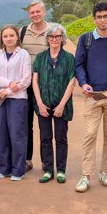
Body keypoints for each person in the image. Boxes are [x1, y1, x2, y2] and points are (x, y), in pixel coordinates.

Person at [73, 2, 107, 193]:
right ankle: (86, 175)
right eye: (99, 17)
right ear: (94, 19)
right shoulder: (86, 39)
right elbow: (78, 65)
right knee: (90, 135)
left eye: (106, 16)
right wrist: (83, 83)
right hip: (93, 93)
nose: (103, 20)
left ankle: (105, 171)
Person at [32, 23, 75, 184]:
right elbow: (34, 81)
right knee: (45, 137)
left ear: (62, 38)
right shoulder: (41, 57)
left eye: (58, 36)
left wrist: (62, 105)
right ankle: (48, 169)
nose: (54, 39)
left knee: (61, 138)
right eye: (51, 36)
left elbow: (72, 81)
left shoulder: (69, 58)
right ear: (47, 39)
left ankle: (61, 170)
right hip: (43, 104)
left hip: (62, 105)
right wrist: (40, 104)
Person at [0, 24, 32, 181]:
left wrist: (8, 90)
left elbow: (26, 79)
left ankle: (18, 170)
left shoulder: (23, 54)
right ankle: (4, 168)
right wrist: (9, 83)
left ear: (17, 37)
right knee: (2, 134)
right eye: (5, 36)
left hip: (17, 99)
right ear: (2, 38)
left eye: (11, 35)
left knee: (17, 135)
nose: (8, 38)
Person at [19, 0, 53, 172]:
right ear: (28, 14)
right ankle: (26, 158)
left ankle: (46, 162)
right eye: (32, 12)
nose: (35, 15)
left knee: (44, 122)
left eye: (38, 11)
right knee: (26, 123)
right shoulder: (22, 32)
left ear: (44, 12)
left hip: (46, 84)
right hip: (26, 83)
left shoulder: (53, 31)